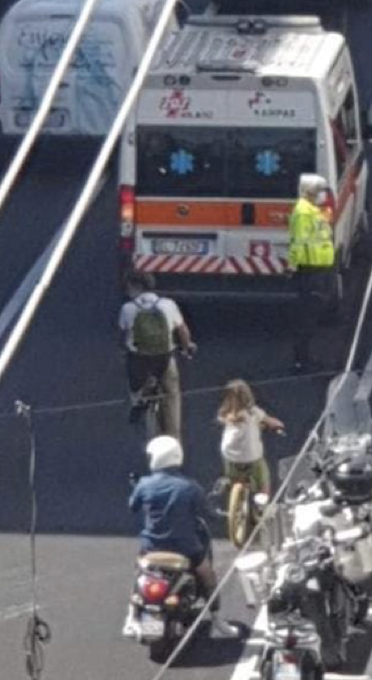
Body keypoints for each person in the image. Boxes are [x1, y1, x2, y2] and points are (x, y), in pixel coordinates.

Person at [125, 436, 238, 638]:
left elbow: (132, 506)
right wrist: (224, 515)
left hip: (152, 546)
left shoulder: (144, 484)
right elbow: (208, 513)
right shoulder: (189, 487)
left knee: (140, 571)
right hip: (186, 548)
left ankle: (132, 617)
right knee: (207, 574)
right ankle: (217, 621)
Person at [119, 271, 195, 441]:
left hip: (140, 360)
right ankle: (174, 440)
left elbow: (123, 334)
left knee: (135, 383)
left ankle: (137, 401)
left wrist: (123, 351)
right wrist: (187, 346)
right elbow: (182, 331)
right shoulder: (168, 304)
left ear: (135, 287)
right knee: (172, 395)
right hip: (165, 358)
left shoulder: (128, 308)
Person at [288, 173, 337, 374]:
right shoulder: (302, 213)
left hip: (319, 267)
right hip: (310, 270)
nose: (323, 195)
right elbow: (298, 242)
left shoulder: (312, 210)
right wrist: (293, 265)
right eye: (320, 191)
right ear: (310, 193)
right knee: (307, 316)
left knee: (313, 314)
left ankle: (305, 356)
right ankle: (301, 359)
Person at [218, 380, 285, 496]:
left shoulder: (226, 413)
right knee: (264, 479)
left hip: (230, 456)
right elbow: (270, 421)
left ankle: (232, 487)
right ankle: (262, 505)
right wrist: (279, 425)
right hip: (252, 457)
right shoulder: (253, 413)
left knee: (234, 475)